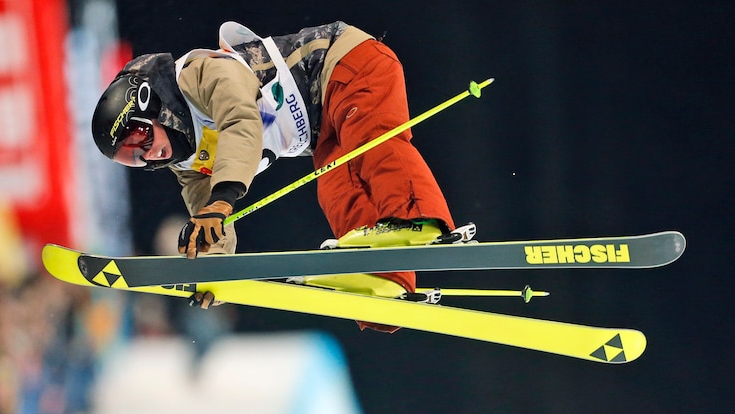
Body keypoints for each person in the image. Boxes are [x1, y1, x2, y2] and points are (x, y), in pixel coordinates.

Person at [91, 21, 460, 332]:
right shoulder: (187, 161)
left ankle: (417, 219)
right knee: (339, 193)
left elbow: (241, 122)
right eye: (131, 158)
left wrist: (223, 197)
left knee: (373, 146)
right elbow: (209, 220)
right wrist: (211, 272)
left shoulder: (198, 75)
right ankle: (383, 279)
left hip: (347, 65)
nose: (146, 154)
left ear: (151, 103)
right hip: (322, 128)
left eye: (139, 136)